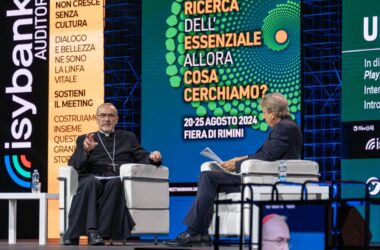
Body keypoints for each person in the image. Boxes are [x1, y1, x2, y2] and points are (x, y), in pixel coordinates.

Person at [165, 93, 302, 247]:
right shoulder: (290, 125)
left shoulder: (283, 128)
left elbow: (267, 157)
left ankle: (194, 232)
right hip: (264, 176)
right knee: (209, 178)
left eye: (264, 113)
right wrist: (241, 158)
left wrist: (236, 165)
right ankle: (200, 234)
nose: (263, 117)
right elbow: (269, 154)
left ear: (273, 113)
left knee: (208, 177)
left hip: (262, 180)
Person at [63, 103, 162, 246]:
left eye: (111, 115)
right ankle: (91, 231)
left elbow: (141, 155)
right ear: (96, 119)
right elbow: (74, 165)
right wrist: (86, 151)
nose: (106, 119)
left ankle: (100, 234)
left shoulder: (128, 137)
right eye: (102, 115)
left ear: (117, 119)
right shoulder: (85, 138)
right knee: (92, 182)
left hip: (114, 178)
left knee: (116, 184)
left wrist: (153, 157)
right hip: (91, 178)